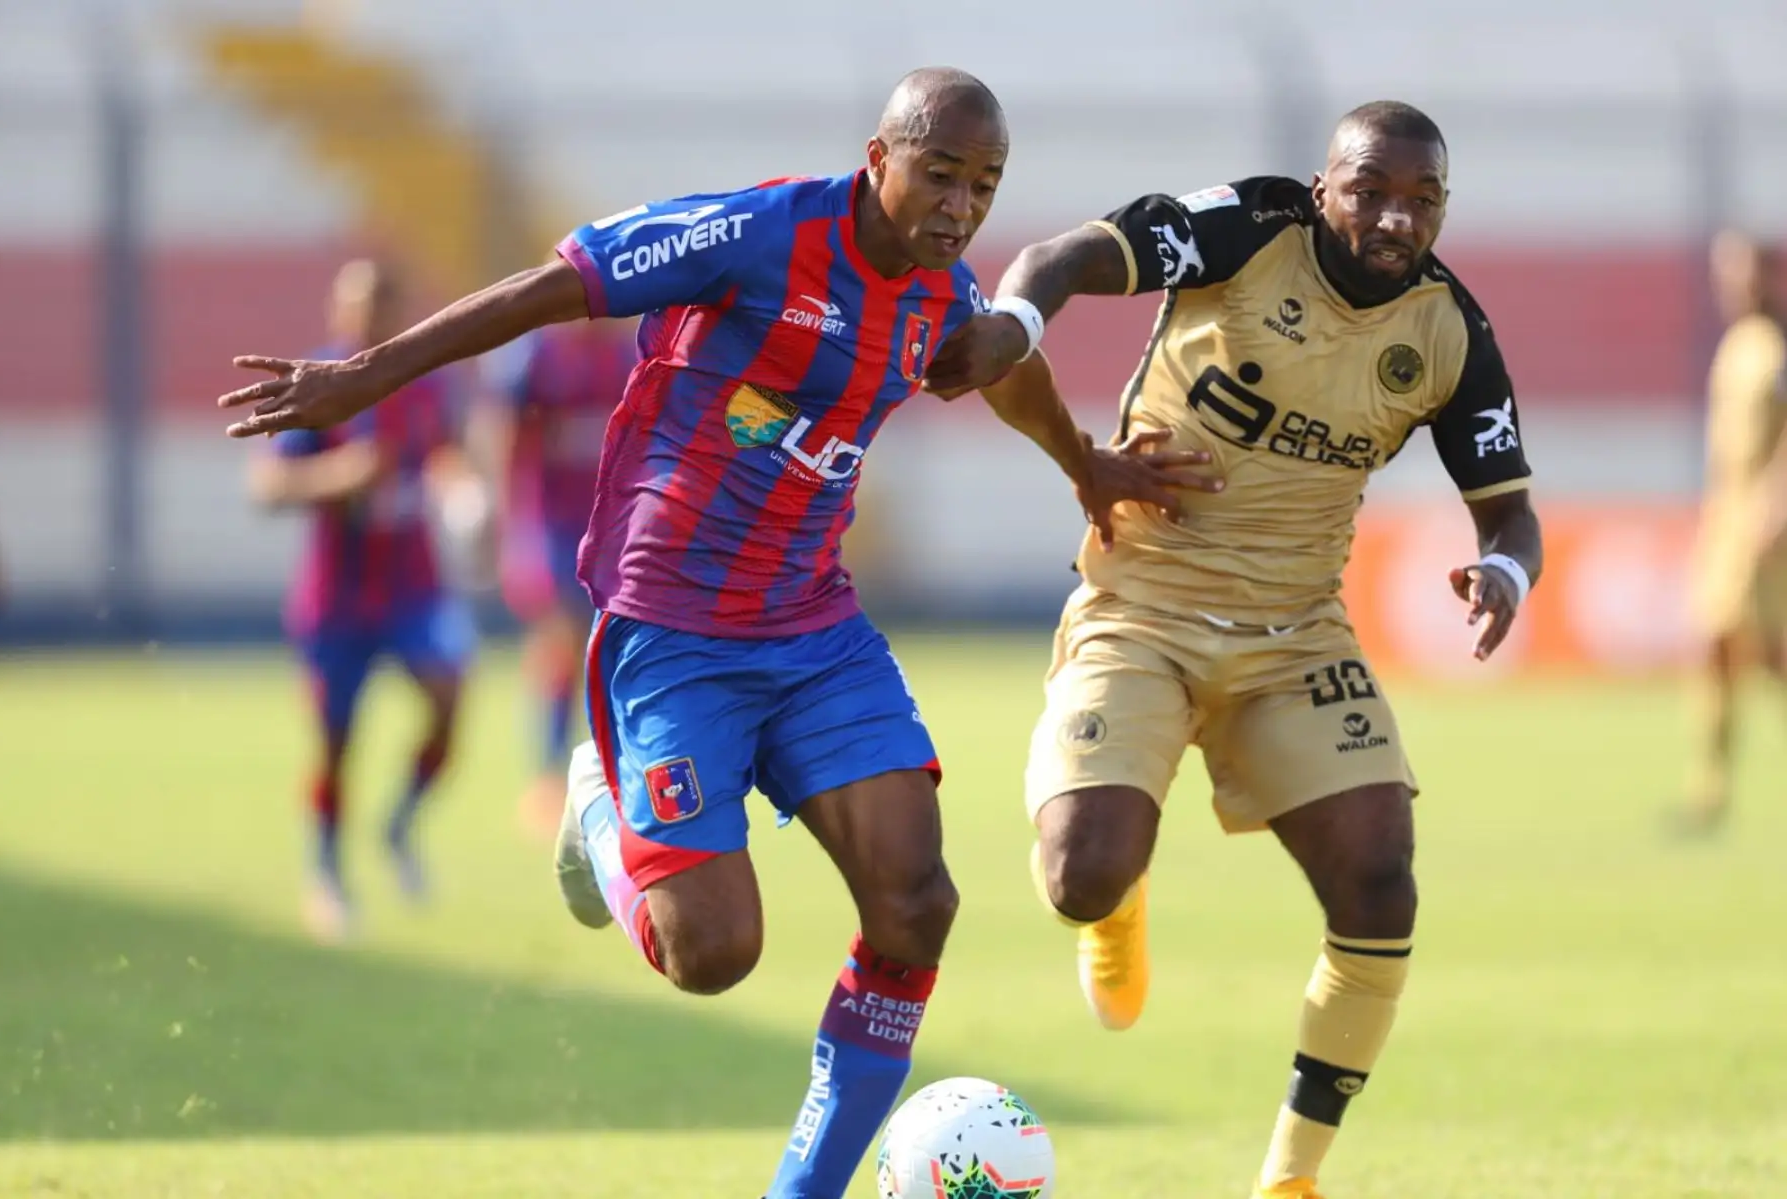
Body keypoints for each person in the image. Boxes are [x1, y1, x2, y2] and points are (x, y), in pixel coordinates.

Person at [219, 68, 1213, 1198]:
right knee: (712, 954)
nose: (961, 205)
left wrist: (1091, 468)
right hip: (673, 622)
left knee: (918, 901)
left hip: (812, 622)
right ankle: (599, 807)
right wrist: (367, 372)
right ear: (880, 159)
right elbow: (556, 287)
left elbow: (996, 361)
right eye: (941, 174)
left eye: (985, 185)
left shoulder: (939, 294)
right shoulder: (756, 233)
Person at [927, 100, 1544, 1199]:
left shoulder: (1449, 331)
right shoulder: (1250, 230)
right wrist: (1019, 321)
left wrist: (1505, 570)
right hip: (1144, 603)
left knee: (1381, 882)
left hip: (1294, 634)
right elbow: (1059, 256)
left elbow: (1510, 514)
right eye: (1372, 191)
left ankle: (1290, 1178)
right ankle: (1119, 901)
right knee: (1081, 872)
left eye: (1424, 200)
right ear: (1324, 188)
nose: (1397, 218)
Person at [247, 258, 486, 942]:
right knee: (335, 742)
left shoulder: (426, 382)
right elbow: (265, 484)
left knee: (449, 698)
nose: (370, 318)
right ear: (338, 312)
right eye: (358, 306)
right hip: (338, 597)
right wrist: (336, 477)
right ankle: (326, 870)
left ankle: (401, 823)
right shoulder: (319, 384)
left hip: (415, 587)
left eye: (383, 304)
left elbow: (446, 454)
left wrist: (462, 491)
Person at [472, 318, 634, 833]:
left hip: (612, 524)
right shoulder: (535, 356)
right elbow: (501, 427)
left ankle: (612, 771)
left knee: (606, 646)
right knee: (562, 637)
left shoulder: (627, 353)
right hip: (548, 525)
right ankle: (548, 774)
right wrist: (497, 515)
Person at [1674, 230, 1787, 832]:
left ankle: (1710, 789)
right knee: (1717, 649)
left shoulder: (1774, 347)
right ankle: (1708, 789)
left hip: (1767, 525)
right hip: (1729, 519)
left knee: (1769, 655)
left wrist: (1777, 504)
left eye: (1742, 273)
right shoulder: (1737, 346)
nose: (1731, 285)